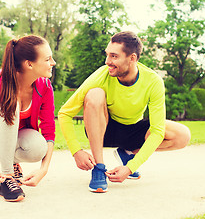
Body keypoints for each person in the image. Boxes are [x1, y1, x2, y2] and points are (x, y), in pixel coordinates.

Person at [58, 31, 191, 193]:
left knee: (183, 135)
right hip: (106, 129)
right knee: (95, 94)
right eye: (107, 55)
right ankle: (99, 169)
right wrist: (76, 151)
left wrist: (130, 167)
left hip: (133, 130)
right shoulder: (102, 75)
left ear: (132, 58)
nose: (108, 61)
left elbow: (157, 132)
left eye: (114, 56)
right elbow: (65, 113)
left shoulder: (153, 81)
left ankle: (128, 154)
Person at [0, 35, 56, 202]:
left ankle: (13, 163)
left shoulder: (44, 87)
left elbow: (49, 129)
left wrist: (43, 169)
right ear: (29, 64)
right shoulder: (1, 82)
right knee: (12, 103)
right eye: (47, 59)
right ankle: (7, 178)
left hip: (14, 140)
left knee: (38, 147)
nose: (53, 63)